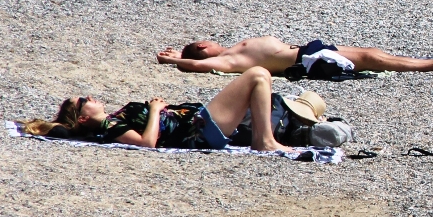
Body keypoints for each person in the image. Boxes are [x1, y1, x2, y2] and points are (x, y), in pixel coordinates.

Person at [21, 65, 285, 151]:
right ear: (81, 118)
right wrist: (156, 111)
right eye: (83, 101)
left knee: (259, 78)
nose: (90, 97)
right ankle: (265, 141)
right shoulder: (110, 127)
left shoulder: (112, 120)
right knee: (258, 75)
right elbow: (146, 143)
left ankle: (264, 138)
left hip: (199, 123)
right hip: (199, 131)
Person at [158, 36, 433, 77]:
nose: (209, 41)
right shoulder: (226, 61)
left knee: (372, 54)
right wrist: (174, 61)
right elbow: (198, 66)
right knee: (373, 58)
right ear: (201, 47)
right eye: (203, 41)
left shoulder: (232, 51)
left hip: (306, 51)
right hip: (304, 60)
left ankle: (432, 62)